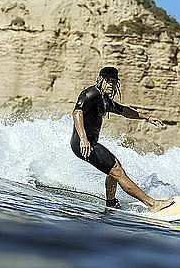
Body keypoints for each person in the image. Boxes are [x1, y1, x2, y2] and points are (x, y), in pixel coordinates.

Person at [71, 66, 174, 213]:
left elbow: (124, 111)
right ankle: (152, 204)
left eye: (114, 81)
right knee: (117, 171)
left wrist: (147, 117)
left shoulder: (105, 100)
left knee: (115, 167)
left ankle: (111, 202)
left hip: (90, 143)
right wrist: (83, 138)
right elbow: (77, 112)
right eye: (108, 81)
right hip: (83, 144)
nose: (111, 84)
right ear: (100, 80)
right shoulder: (91, 93)